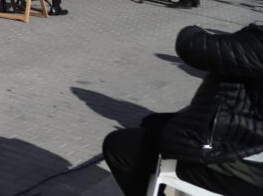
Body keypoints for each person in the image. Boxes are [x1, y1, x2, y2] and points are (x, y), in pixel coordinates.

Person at [103, 23, 263, 196]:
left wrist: (195, 29)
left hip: (246, 167)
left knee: (119, 146)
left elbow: (191, 44)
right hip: (246, 140)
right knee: (153, 122)